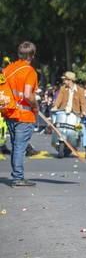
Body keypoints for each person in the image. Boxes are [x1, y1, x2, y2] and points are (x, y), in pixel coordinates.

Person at [3, 41, 39, 186]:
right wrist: (35, 106)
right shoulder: (29, 71)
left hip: (10, 112)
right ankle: (18, 177)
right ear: (32, 56)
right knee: (19, 147)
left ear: (19, 54)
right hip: (24, 115)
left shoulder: (7, 70)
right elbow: (27, 95)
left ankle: (17, 175)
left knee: (15, 145)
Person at [51, 71, 86, 159]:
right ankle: (57, 142)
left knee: (82, 130)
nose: (64, 81)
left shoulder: (80, 90)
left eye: (65, 79)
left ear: (70, 80)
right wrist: (55, 106)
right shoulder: (63, 89)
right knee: (55, 124)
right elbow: (59, 99)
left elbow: (83, 103)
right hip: (63, 113)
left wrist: (84, 112)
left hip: (76, 115)